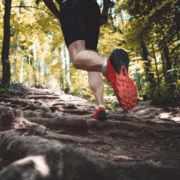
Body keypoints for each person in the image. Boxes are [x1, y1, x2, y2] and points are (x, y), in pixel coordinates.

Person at [41, 0, 137, 120]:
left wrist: (59, 14)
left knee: (77, 57)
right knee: (91, 58)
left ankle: (108, 64)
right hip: (92, 6)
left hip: (70, 5)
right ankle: (100, 107)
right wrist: (105, 11)